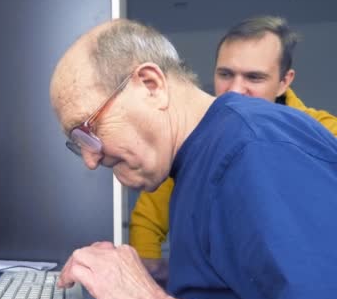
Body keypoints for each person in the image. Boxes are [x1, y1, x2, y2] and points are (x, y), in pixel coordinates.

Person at [51, 19, 337, 299]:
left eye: (89, 130)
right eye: (78, 143)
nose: (91, 159)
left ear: (151, 85)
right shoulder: (197, 157)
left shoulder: (254, 148)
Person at [129, 16, 337, 280]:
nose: (235, 91)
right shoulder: (191, 136)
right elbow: (147, 221)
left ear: (285, 81)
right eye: (225, 74)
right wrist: (154, 293)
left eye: (254, 77)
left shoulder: (325, 133)